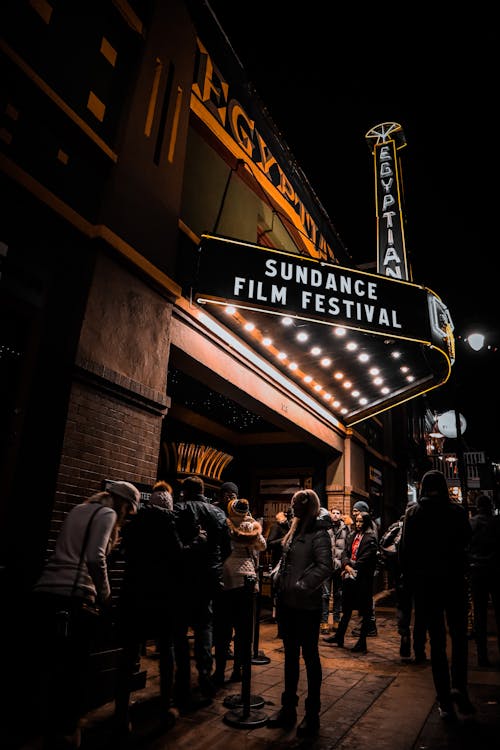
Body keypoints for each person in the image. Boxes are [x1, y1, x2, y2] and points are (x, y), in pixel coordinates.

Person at [32, 481, 140, 749]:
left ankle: (46, 725)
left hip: (46, 591)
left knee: (52, 664)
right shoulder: (108, 514)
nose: (126, 516)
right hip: (75, 594)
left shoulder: (78, 509)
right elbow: (95, 557)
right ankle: (68, 731)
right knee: (75, 668)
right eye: (128, 510)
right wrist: (105, 593)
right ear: (123, 503)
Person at [113, 480, 205, 736]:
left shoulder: (135, 524)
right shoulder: (168, 523)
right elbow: (179, 555)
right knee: (166, 652)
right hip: (162, 599)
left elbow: (118, 554)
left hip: (133, 596)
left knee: (128, 655)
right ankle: (166, 707)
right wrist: (197, 541)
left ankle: (121, 713)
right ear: (168, 505)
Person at [399, 469, 474, 720]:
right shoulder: (457, 512)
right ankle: (459, 687)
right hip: (454, 583)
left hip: (426, 586)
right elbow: (467, 543)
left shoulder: (413, 513)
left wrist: (408, 584)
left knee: (438, 643)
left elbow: (405, 552)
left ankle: (444, 701)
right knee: (460, 638)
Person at [266, 489, 333, 738]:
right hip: (288, 604)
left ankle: (312, 714)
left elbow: (326, 566)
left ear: (307, 507)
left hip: (307, 606)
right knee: (291, 657)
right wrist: (276, 575)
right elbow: (287, 560)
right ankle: (288, 708)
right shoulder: (294, 531)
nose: (292, 508)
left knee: (310, 657)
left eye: (296, 504)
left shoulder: (319, 533)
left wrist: (301, 585)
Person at [172, 475, 232, 707]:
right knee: (204, 625)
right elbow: (226, 547)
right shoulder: (218, 513)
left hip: (183, 576)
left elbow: (174, 544)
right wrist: (215, 565)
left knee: (179, 629)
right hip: (209, 576)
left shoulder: (179, 509)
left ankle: (183, 681)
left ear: (185, 491)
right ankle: (205, 675)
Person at [212, 498, 267, 686]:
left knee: (222, 629)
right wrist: (250, 521)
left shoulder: (225, 524)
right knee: (243, 631)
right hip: (247, 581)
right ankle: (238, 670)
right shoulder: (251, 525)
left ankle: (219, 672)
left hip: (226, 578)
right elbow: (262, 546)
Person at [323, 511, 378, 653]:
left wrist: (349, 567)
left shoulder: (370, 538)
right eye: (357, 521)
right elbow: (345, 553)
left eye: (361, 521)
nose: (358, 524)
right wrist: (346, 565)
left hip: (363, 580)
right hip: (349, 579)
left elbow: (364, 560)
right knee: (346, 609)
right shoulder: (352, 535)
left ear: (366, 522)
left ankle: (362, 642)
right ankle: (339, 636)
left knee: (365, 612)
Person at [378, 501, 427, 662]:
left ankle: (404, 636)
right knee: (421, 611)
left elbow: (383, 545)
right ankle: (419, 648)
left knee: (403, 608)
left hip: (402, 576)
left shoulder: (396, 526)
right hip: (420, 576)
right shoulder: (422, 527)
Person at [468, 494, 500, 666]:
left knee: (479, 614)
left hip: (477, 572)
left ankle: (482, 655)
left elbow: (465, 546)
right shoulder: (497, 523)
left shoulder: (471, 523)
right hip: (495, 571)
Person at [351, 500, 379, 637]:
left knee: (367, 600)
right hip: (362, 568)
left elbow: (369, 548)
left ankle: (369, 627)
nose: (354, 513)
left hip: (366, 569)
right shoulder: (361, 527)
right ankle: (367, 627)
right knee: (365, 599)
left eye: (356, 511)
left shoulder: (370, 527)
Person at [266, 510, 291, 629]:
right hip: (278, 563)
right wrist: (283, 540)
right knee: (277, 591)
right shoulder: (277, 527)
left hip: (288, 563)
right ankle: (276, 617)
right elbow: (269, 543)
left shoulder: (291, 527)